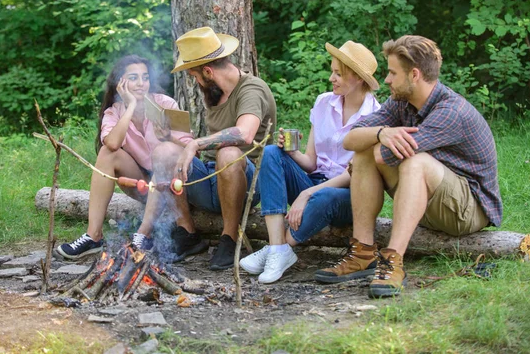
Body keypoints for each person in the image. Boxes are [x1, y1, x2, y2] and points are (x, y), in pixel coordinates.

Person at [319, 35, 503, 298]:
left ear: (414, 75)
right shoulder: (401, 102)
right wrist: (382, 132)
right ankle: (363, 253)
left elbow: (387, 157)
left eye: (393, 73)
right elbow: (349, 139)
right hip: (431, 199)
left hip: (468, 209)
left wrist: (377, 139)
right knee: (363, 154)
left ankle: (393, 261)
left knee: (413, 161)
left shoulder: (450, 112)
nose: (386, 80)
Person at [239, 41, 381, 284]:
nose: (331, 78)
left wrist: (307, 193)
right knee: (273, 152)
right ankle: (277, 248)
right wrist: (291, 152)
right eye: (332, 71)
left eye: (338, 73)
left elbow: (356, 174)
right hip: (314, 181)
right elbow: (311, 163)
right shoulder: (324, 102)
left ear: (358, 78)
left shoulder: (375, 116)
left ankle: (281, 247)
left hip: (349, 194)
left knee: (323, 197)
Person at [146, 26, 276, 270]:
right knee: (163, 152)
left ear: (207, 71)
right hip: (212, 178)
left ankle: (229, 238)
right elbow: (202, 150)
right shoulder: (216, 94)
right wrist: (172, 139)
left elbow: (244, 133)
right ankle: (188, 233)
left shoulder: (251, 88)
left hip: (249, 182)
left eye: (195, 76)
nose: (195, 82)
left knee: (228, 153)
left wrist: (196, 142)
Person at [56, 55, 194, 260]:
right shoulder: (114, 111)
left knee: (164, 151)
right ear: (120, 82)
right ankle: (93, 236)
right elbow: (111, 144)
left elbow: (191, 148)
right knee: (107, 153)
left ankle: (142, 235)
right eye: (134, 77)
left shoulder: (165, 104)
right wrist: (129, 107)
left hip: (176, 185)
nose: (141, 84)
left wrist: (168, 137)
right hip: (143, 186)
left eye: (145, 78)